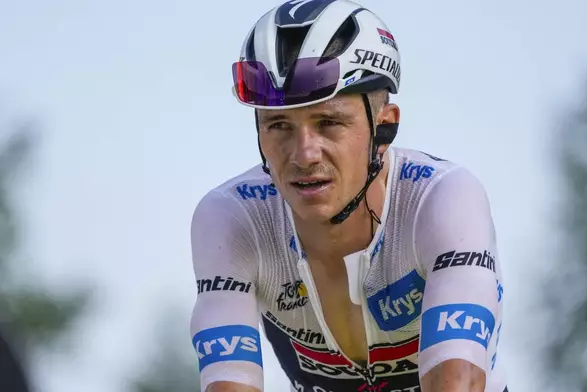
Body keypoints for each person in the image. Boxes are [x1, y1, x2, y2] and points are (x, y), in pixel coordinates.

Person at [189, 0, 508, 391]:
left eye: (329, 122)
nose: (304, 155)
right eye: (279, 126)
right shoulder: (233, 218)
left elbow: (457, 380)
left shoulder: (440, 199)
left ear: (384, 129)